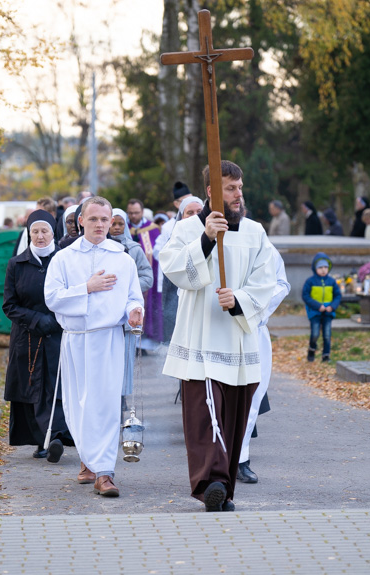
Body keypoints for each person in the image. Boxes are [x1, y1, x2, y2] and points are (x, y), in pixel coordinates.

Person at [159, 160, 277, 512]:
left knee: (234, 418)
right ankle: (209, 484)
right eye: (230, 188)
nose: (238, 194)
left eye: (240, 187)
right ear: (211, 191)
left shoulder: (255, 232)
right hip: (201, 339)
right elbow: (176, 270)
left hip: (238, 339)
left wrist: (239, 299)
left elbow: (266, 280)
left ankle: (223, 487)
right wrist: (206, 239)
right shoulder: (186, 231)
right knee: (203, 416)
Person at [44, 197, 145, 497]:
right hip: (76, 339)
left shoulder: (122, 257)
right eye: (94, 219)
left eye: (105, 219)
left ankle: (104, 472)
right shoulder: (63, 258)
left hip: (109, 339)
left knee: (105, 404)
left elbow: (133, 296)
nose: (101, 225)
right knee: (78, 407)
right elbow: (52, 298)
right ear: (80, 221)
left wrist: (134, 312)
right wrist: (86, 288)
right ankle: (88, 460)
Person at [2, 210, 73, 462]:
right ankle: (42, 439)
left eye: (45, 231)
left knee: (57, 386)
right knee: (32, 388)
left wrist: (54, 321)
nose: (40, 236)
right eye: (35, 232)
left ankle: (56, 436)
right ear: (29, 234)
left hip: (58, 335)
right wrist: (35, 320)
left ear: (53, 232)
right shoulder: (17, 264)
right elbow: (9, 305)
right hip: (28, 338)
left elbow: (73, 294)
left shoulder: (64, 260)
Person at [237, 244, 290, 484]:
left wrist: (254, 306)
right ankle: (217, 459)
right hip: (221, 330)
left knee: (252, 397)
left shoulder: (264, 247)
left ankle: (241, 459)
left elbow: (282, 284)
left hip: (255, 330)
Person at [110, 208, 154, 405]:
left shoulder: (134, 249)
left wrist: (129, 287)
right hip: (106, 313)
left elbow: (147, 277)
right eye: (113, 223)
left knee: (126, 356)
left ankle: (123, 395)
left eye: (121, 223)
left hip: (126, 312)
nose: (117, 227)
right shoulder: (101, 248)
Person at [158, 196, 204, 343]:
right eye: (190, 213)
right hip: (183, 302)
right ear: (181, 216)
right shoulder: (174, 241)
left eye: (199, 211)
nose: (195, 216)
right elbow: (169, 284)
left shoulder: (217, 236)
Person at [127, 198, 162, 348]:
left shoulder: (153, 229)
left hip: (149, 276)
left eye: (136, 213)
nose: (134, 216)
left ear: (142, 212)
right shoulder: (123, 227)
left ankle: (147, 342)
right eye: (131, 213)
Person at [302, 252, 341, 362]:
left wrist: (332, 307)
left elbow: (337, 295)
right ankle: (311, 350)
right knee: (315, 333)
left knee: (327, 334)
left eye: (325, 267)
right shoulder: (310, 281)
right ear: (315, 268)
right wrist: (318, 306)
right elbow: (305, 296)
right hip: (315, 312)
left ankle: (326, 355)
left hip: (328, 312)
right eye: (320, 267)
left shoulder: (332, 281)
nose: (323, 270)